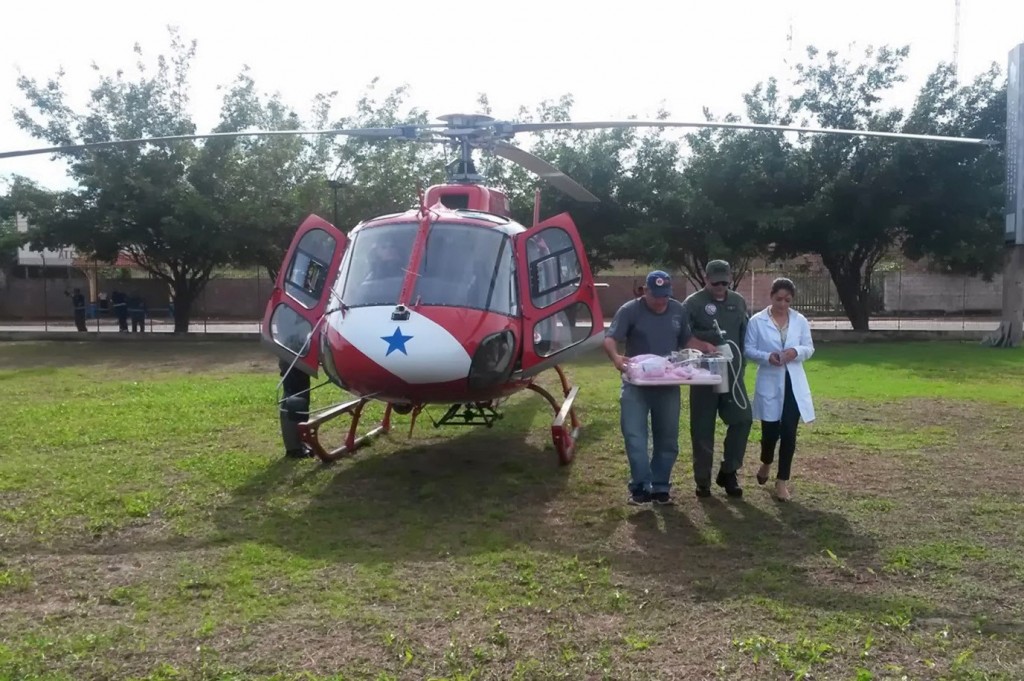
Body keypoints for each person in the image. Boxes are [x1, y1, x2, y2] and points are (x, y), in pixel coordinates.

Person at [604, 270, 718, 506]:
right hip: (637, 383)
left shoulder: (677, 310)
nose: (661, 301)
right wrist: (615, 358)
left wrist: (704, 346)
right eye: (656, 296)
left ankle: (660, 486)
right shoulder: (630, 310)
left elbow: (686, 339)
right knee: (635, 436)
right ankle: (640, 486)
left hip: (667, 383)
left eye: (665, 295)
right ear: (645, 291)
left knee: (667, 438)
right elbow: (610, 338)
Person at [682, 259, 753, 499]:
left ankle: (729, 471)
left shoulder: (738, 301)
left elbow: (744, 336)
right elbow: (682, 336)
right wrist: (705, 342)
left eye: (724, 282)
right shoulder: (693, 304)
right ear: (706, 279)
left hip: (732, 373)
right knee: (703, 428)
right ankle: (703, 481)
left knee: (743, 419)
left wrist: (741, 365)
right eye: (716, 283)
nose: (721, 287)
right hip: (703, 375)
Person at [744, 277, 816, 501]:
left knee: (789, 433)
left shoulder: (799, 320)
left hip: (793, 383)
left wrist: (795, 352)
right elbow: (749, 349)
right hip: (770, 380)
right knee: (770, 433)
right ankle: (766, 462)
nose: (783, 304)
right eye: (779, 299)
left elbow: (809, 348)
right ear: (771, 297)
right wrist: (768, 357)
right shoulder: (757, 321)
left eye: (787, 300)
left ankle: (782, 481)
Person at [278, 357, 313, 459]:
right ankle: (294, 448)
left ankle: (299, 443)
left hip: (297, 362)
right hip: (294, 360)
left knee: (299, 399)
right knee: (294, 400)